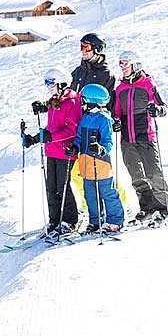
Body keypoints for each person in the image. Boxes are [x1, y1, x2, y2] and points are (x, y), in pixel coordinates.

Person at [114, 50, 168, 224]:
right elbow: (116, 113)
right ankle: (147, 208)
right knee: (137, 176)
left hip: (146, 136)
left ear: (136, 64)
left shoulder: (148, 84)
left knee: (153, 173)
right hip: (127, 139)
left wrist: (157, 110)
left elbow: (163, 107)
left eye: (126, 63)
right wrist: (115, 121)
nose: (122, 67)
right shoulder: (120, 89)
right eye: (121, 63)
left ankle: (164, 210)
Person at [25, 67, 81, 236]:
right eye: (46, 83)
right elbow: (51, 128)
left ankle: (70, 221)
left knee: (62, 186)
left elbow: (72, 130)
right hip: (52, 151)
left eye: (51, 83)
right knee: (51, 187)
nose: (48, 86)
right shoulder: (54, 102)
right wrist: (35, 138)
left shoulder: (71, 102)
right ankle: (55, 220)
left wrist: (50, 137)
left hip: (65, 151)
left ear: (62, 84)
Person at [68, 83, 124, 233]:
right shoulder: (85, 117)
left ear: (93, 101)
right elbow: (79, 138)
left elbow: (108, 141)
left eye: (84, 99)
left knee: (107, 192)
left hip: (100, 163)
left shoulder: (103, 119)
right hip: (86, 163)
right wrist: (74, 147)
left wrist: (101, 149)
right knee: (90, 194)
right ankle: (96, 221)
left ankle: (115, 221)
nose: (82, 102)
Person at [71, 33, 117, 114]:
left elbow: (109, 104)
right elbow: (67, 95)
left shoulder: (106, 74)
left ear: (97, 49)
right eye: (82, 47)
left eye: (87, 47)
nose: (83, 51)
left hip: (92, 121)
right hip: (75, 119)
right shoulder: (78, 71)